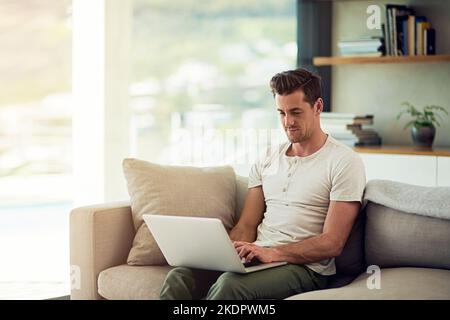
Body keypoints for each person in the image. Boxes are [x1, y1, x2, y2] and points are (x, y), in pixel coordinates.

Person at [159, 68, 366, 300]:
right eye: (281, 113)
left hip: (305, 268)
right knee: (180, 276)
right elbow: (246, 226)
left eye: (296, 112)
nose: (288, 122)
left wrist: (274, 253)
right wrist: (222, 253)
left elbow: (333, 243)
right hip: (258, 257)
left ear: (318, 106)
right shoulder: (267, 158)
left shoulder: (344, 162)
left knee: (230, 286)